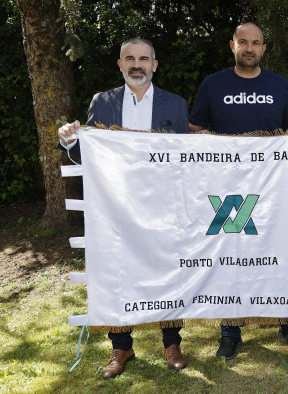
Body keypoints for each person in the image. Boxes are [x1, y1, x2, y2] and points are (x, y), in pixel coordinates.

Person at [57, 38, 189, 379]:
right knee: (116, 272)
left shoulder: (174, 105)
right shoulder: (102, 103)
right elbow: (86, 153)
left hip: (162, 206)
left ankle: (171, 343)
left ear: (154, 65)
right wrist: (69, 140)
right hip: (115, 206)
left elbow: (187, 160)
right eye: (129, 58)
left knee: (169, 270)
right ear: (120, 64)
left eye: (144, 59)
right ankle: (121, 346)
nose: (137, 64)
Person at [189, 22, 288, 360]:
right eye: (243, 42)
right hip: (228, 188)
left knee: (280, 251)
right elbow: (195, 128)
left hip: (273, 186)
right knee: (231, 257)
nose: (250, 48)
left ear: (264, 48)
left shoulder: (279, 85)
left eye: (256, 43)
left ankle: (287, 322)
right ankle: (230, 331)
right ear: (233, 46)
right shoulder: (213, 84)